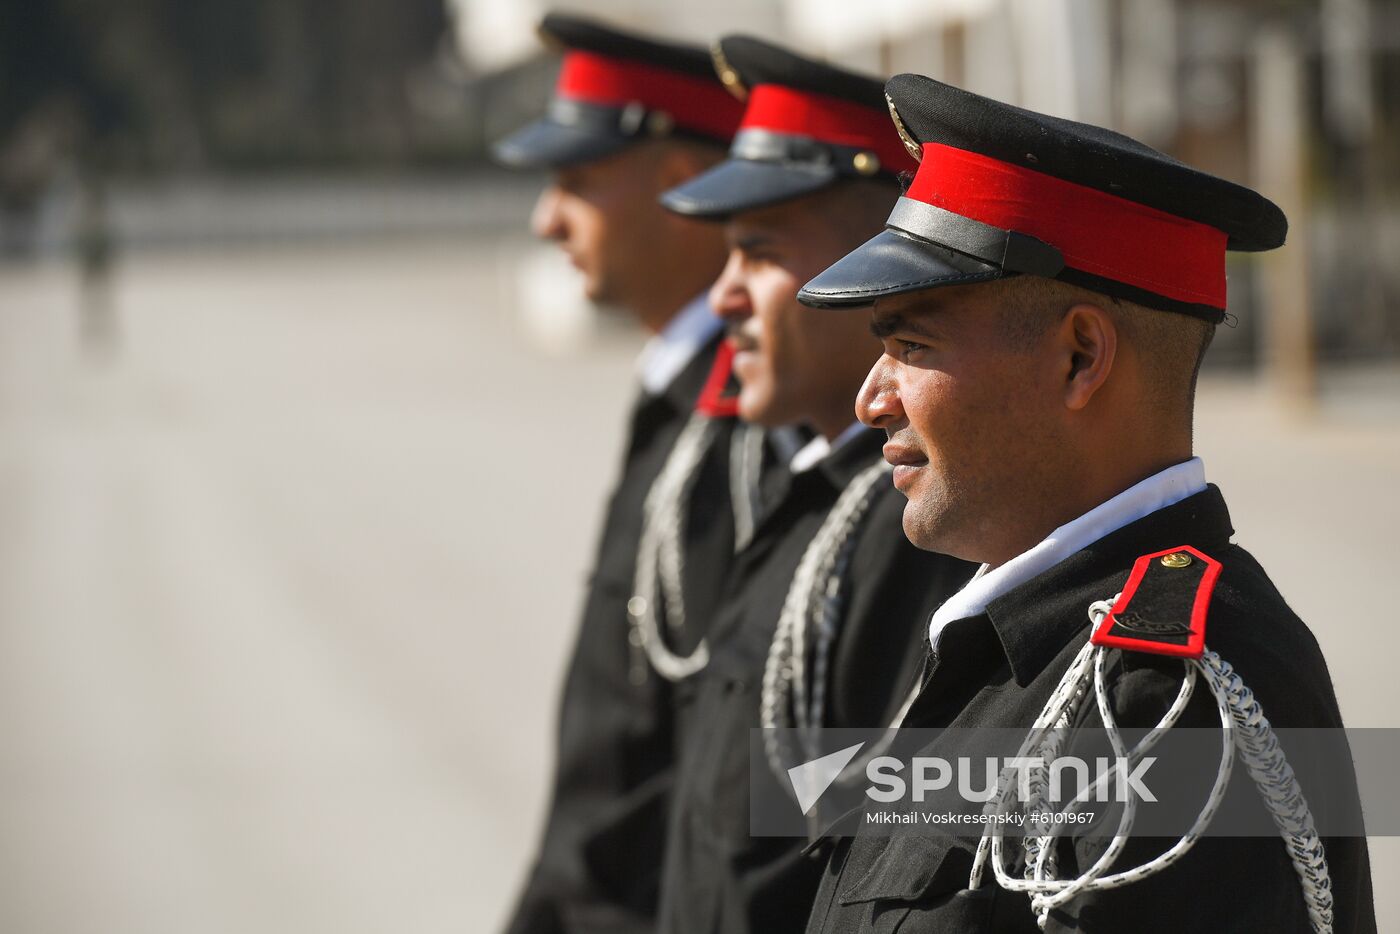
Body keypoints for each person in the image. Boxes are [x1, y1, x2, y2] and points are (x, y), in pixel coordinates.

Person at [794, 72, 1376, 932]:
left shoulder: (1160, 703)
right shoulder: (1022, 642)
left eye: (912, 343)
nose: (871, 398)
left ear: (1079, 359)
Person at [654, 37, 978, 934]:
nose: (722, 297)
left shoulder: (909, 530)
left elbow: (875, 846)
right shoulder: (823, 494)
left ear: (875, 264)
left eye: (758, 254)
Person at [491, 14, 753, 933]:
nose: (545, 219)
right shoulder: (687, 399)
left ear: (682, 185)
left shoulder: (748, 432)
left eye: (576, 183)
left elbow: (746, 779)